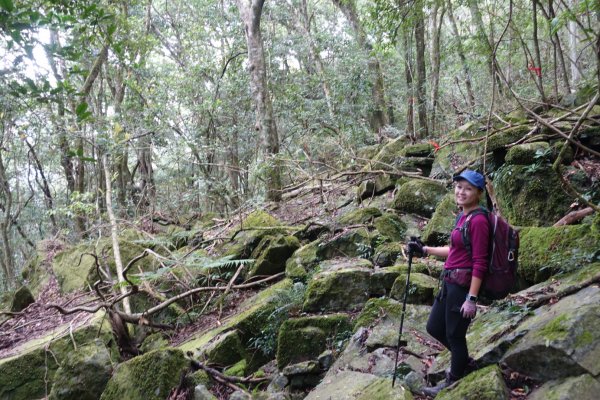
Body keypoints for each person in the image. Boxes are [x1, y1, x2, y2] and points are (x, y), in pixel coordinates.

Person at [407, 169, 490, 397]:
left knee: (454, 335)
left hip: (463, 286)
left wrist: (471, 299)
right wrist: (424, 250)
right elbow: (454, 249)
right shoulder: (463, 216)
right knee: (434, 327)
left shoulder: (480, 220)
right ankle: (462, 361)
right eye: (459, 186)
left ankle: (453, 380)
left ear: (479, 193)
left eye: (468, 188)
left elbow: (480, 263)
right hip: (449, 282)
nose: (461, 192)